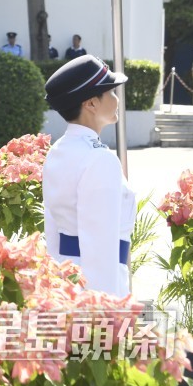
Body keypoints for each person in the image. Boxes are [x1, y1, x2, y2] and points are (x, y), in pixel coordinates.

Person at [42, 55, 133, 298]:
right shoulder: (99, 160)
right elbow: (101, 245)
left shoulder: (58, 150)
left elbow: (51, 230)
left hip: (64, 278)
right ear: (91, 104)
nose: (116, 99)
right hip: (96, 286)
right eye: (111, 93)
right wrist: (107, 310)